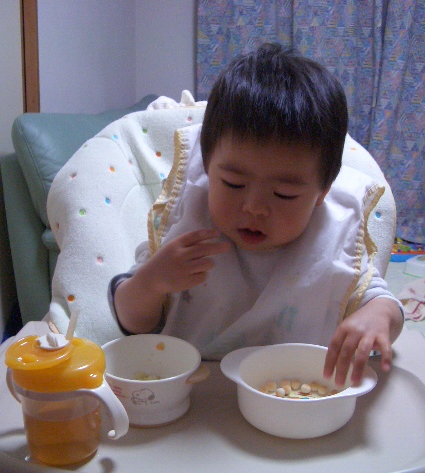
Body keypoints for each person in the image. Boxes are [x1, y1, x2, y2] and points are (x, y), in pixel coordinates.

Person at [110, 43, 403, 386]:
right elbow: (130, 322)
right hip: (193, 396)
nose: (254, 207)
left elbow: (385, 304)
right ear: (207, 168)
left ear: (322, 192)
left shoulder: (331, 240)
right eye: (233, 184)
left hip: (295, 399)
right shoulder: (188, 222)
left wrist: (378, 318)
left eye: (284, 194)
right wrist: (152, 281)